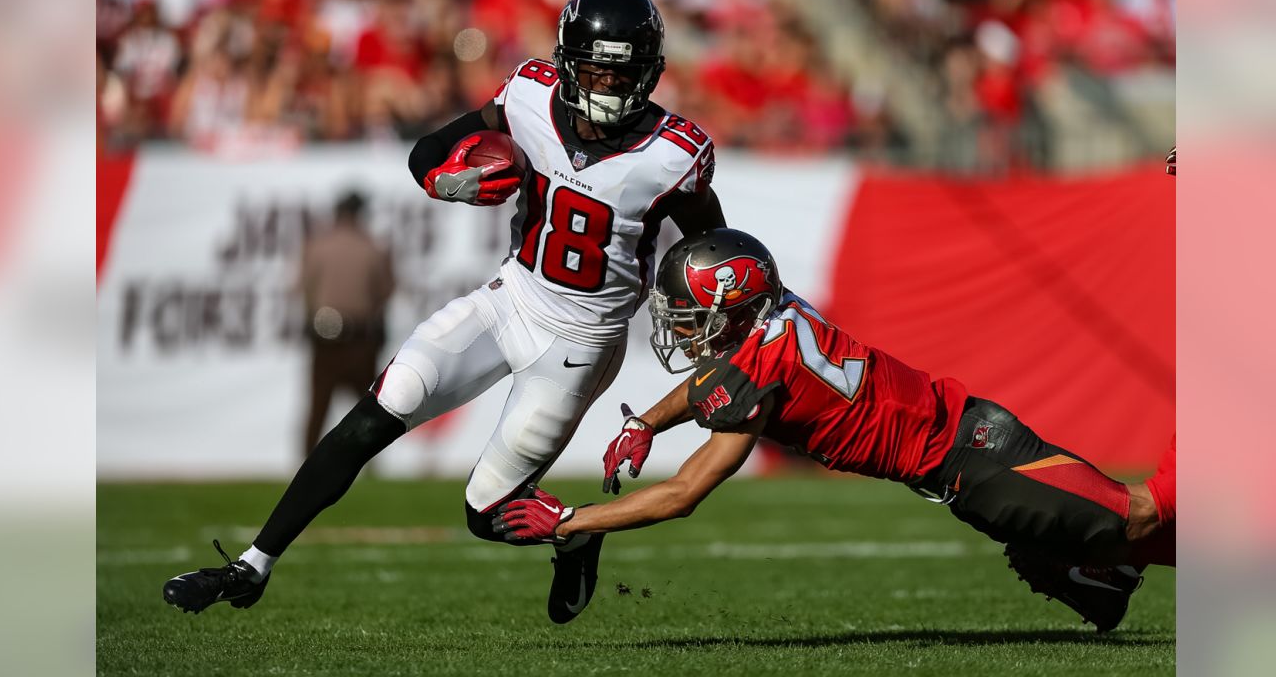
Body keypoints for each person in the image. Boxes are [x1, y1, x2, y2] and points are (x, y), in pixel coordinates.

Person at [162, 0, 724, 624]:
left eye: (620, 72)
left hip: (581, 340)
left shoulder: (674, 153)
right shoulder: (529, 95)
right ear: (568, 60)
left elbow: (714, 243)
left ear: (647, 73)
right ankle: (254, 563)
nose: (605, 86)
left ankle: (578, 532)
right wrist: (449, 181)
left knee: (486, 512)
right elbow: (426, 152)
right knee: (385, 404)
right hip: (511, 296)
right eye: (594, 67)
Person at [491, 228, 1176, 633]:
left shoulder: (763, 361)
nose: (682, 330)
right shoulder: (775, 317)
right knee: (1060, 553)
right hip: (967, 450)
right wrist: (646, 420)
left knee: (1143, 513)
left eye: (691, 313)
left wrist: (573, 521)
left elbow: (685, 493)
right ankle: (1112, 576)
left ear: (738, 306)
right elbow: (712, 386)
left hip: (979, 464)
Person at [298, 190, 395, 456]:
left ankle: (305, 465)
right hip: (361, 338)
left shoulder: (317, 246)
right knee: (369, 410)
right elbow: (385, 292)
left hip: (324, 336)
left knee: (318, 408)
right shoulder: (372, 248)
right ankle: (370, 462)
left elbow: (305, 290)